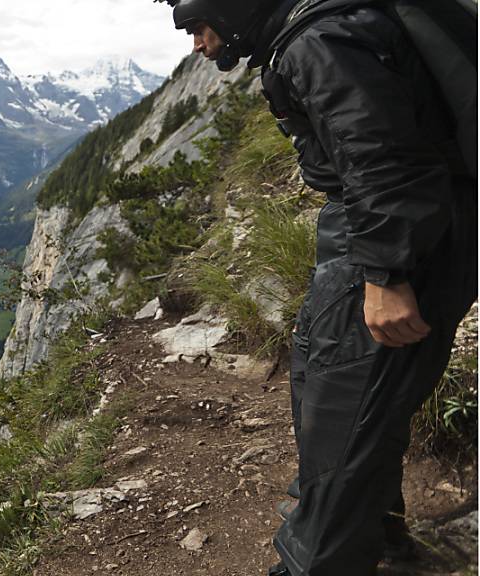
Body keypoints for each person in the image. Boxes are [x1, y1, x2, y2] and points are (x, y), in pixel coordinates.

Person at [162, 0, 477, 574]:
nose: (199, 45)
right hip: (385, 227)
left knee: (342, 408)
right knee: (332, 389)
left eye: (199, 27)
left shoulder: (317, 42)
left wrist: (386, 275)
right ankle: (379, 540)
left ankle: (320, 561)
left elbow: (382, 158)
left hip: (399, 236)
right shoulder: (316, 31)